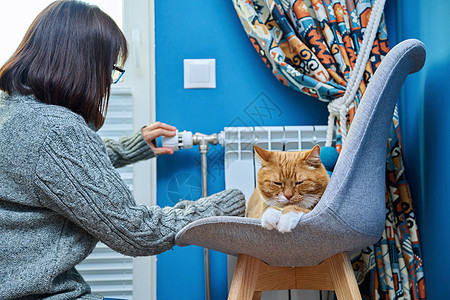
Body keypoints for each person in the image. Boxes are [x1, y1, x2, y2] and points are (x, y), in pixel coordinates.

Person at [0, 1, 245, 299]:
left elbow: (51, 171)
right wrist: (222, 206)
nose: (108, 82)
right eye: (111, 70)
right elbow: (136, 232)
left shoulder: (10, 110)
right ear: (86, 66)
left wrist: (133, 146)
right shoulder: (58, 131)